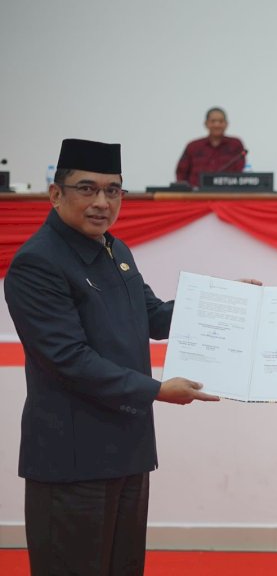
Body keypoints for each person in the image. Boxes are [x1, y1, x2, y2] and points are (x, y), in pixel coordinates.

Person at [4, 139, 226, 576]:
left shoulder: (114, 250)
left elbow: (154, 316)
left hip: (127, 450)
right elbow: (68, 359)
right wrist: (157, 391)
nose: (102, 203)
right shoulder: (37, 264)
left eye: (113, 190)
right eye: (87, 189)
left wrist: (225, 305)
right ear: (56, 194)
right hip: (72, 460)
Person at [175, 107, 246, 188]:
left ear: (226, 124)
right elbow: (181, 173)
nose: (217, 125)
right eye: (213, 121)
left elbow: (239, 172)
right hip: (196, 196)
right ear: (206, 124)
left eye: (221, 121)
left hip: (227, 194)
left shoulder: (235, 144)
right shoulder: (193, 146)